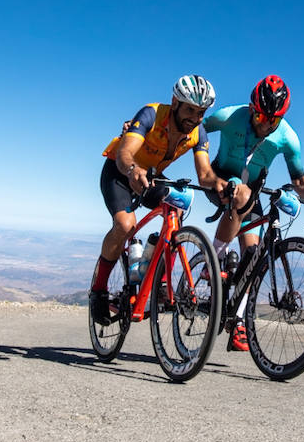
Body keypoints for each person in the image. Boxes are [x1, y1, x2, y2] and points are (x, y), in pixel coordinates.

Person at [203, 74, 304, 351]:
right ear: (251, 108)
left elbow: (300, 183)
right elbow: (195, 132)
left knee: (253, 257)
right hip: (220, 181)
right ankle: (212, 260)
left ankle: (235, 319)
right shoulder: (229, 116)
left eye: (272, 120)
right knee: (238, 196)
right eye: (260, 116)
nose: (265, 124)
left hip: (251, 191)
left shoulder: (287, 138)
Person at [90, 74, 227, 324]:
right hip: (120, 171)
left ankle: (160, 282)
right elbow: (125, 153)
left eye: (201, 113)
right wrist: (133, 170)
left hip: (152, 176)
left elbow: (205, 174)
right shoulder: (151, 114)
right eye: (190, 110)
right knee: (125, 225)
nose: (194, 118)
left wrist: (219, 184)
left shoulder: (198, 132)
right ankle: (98, 292)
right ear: (175, 102)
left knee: (177, 207)